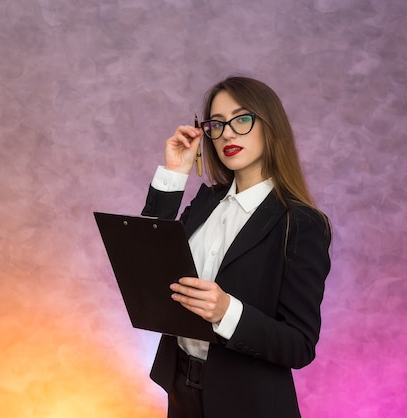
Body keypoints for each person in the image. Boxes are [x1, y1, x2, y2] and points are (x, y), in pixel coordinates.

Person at [141, 76, 331, 418]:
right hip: (182, 393)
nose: (227, 133)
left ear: (269, 126)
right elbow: (146, 262)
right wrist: (175, 173)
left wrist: (227, 312)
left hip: (248, 404)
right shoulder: (207, 201)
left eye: (242, 119)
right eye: (217, 124)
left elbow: (299, 346)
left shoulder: (300, 223)